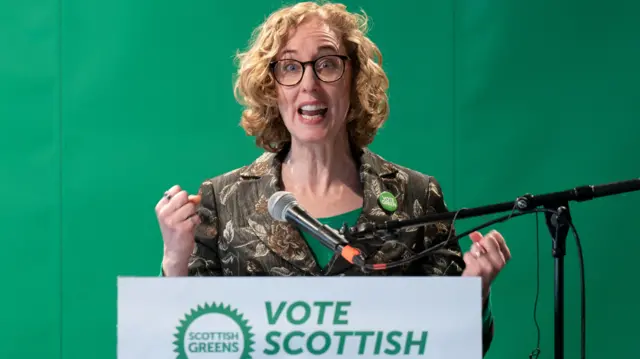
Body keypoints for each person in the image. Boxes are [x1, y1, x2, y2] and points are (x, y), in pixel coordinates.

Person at [155, 1, 511, 355]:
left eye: (327, 64)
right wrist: (175, 260)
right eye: (291, 67)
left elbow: (456, 348)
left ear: (354, 78)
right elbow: (188, 342)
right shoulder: (223, 200)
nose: (309, 84)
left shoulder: (416, 195)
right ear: (271, 86)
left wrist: (474, 291)